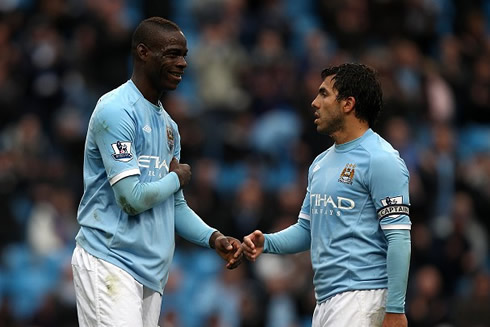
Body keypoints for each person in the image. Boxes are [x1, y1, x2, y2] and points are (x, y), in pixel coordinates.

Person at [71, 17, 243, 327]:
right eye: (173, 54)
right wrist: (177, 177)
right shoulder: (116, 110)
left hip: (150, 274)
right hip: (109, 261)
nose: (183, 63)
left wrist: (212, 237)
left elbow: (173, 205)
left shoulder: (170, 128)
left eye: (185, 55)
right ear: (143, 53)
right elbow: (131, 199)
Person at [243, 63, 411, 327]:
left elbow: (399, 236)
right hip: (326, 301)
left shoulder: (382, 159)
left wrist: (395, 309)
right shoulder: (320, 163)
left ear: (348, 104)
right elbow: (308, 229)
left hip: (363, 299)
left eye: (323, 94)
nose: (314, 102)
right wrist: (268, 243)